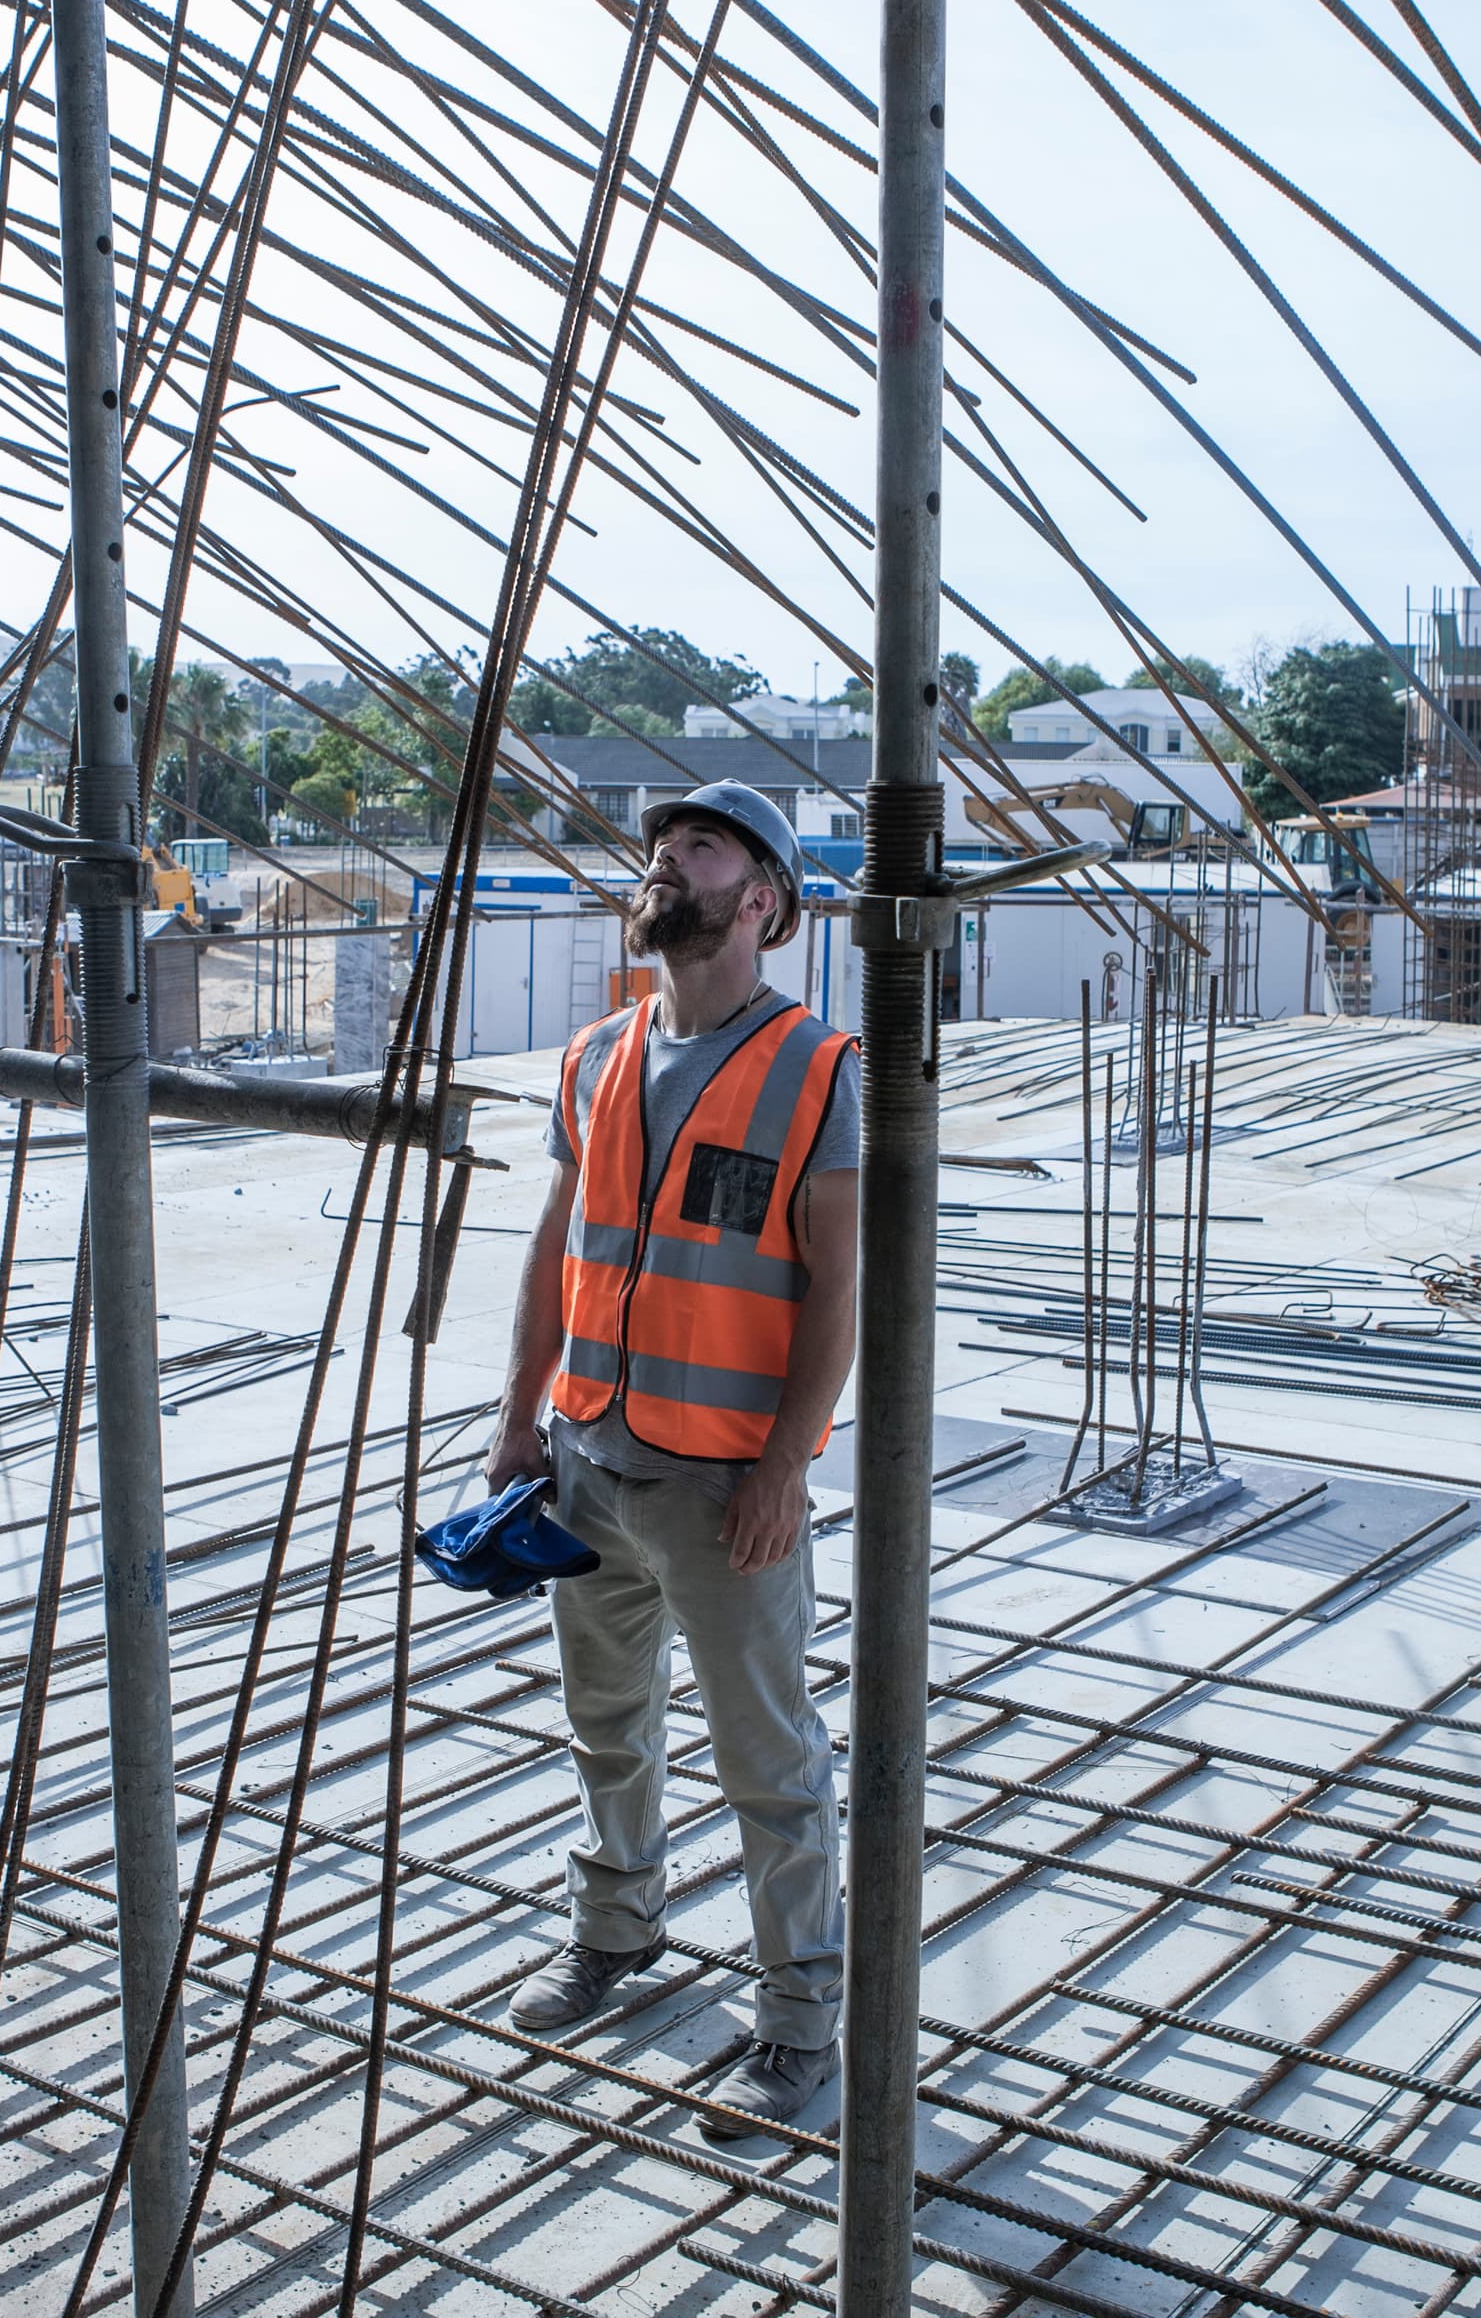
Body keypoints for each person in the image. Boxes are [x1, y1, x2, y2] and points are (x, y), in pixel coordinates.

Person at [486, 780, 860, 2149]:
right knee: (606, 1725)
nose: (664, 862)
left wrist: (784, 1466)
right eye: (660, 846)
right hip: (590, 1456)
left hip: (721, 1485)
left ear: (761, 901)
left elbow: (838, 1288)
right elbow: (556, 1246)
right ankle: (616, 1929)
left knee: (769, 1762)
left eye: (696, 847)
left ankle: (799, 2017)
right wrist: (518, 1417)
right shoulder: (597, 1055)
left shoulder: (817, 1070)